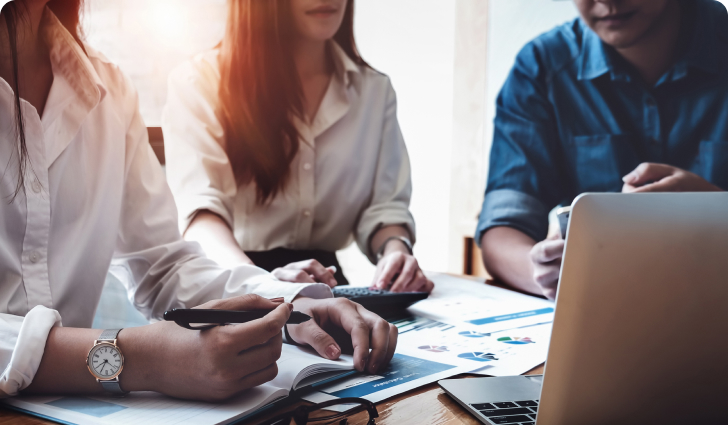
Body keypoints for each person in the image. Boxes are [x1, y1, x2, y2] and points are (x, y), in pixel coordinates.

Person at [0, 0, 397, 401]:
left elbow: (162, 265)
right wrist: (140, 358)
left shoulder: (108, 89)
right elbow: (202, 214)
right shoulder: (198, 80)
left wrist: (286, 305)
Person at [162, 0, 434, 294]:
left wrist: (396, 250)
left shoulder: (374, 91)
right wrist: (261, 285)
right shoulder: (199, 81)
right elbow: (201, 215)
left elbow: (384, 208)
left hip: (324, 283)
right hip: (231, 280)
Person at [477, 0, 728, 300]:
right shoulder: (541, 67)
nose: (607, 1)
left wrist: (717, 216)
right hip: (601, 312)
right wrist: (544, 273)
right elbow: (503, 227)